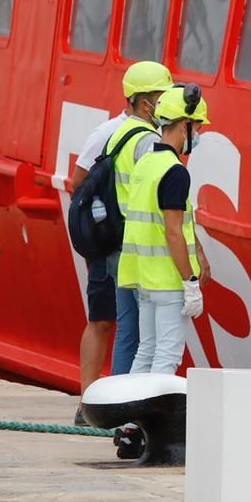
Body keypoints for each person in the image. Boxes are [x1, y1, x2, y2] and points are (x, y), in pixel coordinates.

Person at [67, 60, 172, 421]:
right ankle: (92, 402)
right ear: (145, 102)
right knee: (106, 321)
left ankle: (108, 403)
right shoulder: (117, 134)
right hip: (116, 246)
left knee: (124, 325)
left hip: (123, 246)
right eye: (163, 97)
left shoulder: (126, 135)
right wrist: (98, 235)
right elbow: (79, 185)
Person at [118, 83, 212, 374]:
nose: (196, 136)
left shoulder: (146, 163)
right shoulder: (175, 172)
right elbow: (173, 231)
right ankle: (150, 419)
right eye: (196, 128)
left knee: (145, 351)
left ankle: (131, 417)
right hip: (170, 281)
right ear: (184, 125)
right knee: (167, 356)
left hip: (145, 278)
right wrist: (190, 281)